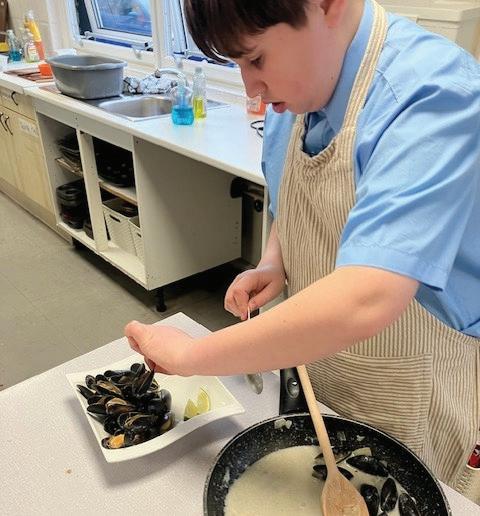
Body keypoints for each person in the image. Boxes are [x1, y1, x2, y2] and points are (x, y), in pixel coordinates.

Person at [125, 0, 480, 494]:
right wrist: (276, 260)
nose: (251, 88)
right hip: (322, 365)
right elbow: (295, 199)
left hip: (416, 383)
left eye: (256, 59)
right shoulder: (294, 96)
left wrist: (190, 356)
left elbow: (367, 296)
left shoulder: (432, 96)